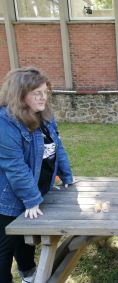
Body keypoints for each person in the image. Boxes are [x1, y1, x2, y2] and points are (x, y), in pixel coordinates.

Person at [0, 67, 74, 283]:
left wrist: (67, 177)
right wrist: (31, 199)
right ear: (20, 96)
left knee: (25, 240)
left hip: (37, 189)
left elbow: (57, 147)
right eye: (37, 93)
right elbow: (15, 166)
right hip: (8, 197)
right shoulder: (5, 123)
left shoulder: (45, 116)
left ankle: (29, 273)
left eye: (45, 92)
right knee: (4, 248)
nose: (44, 97)